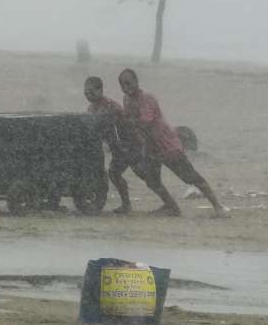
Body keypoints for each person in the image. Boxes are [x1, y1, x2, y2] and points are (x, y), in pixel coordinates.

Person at [118, 68, 226, 217]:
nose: (126, 88)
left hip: (166, 144)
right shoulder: (127, 100)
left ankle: (218, 206)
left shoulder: (147, 99)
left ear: (137, 82)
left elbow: (144, 122)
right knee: (152, 180)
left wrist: (127, 122)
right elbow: (130, 122)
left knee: (191, 177)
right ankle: (171, 206)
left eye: (129, 83)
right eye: (122, 85)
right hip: (151, 146)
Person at [83, 75, 142, 214]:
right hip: (118, 146)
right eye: (86, 93)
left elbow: (114, 129)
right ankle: (126, 205)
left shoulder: (111, 107)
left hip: (128, 144)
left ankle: (127, 205)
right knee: (115, 174)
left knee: (139, 174)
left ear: (100, 90)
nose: (88, 96)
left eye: (91, 92)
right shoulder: (92, 108)